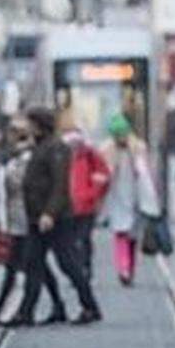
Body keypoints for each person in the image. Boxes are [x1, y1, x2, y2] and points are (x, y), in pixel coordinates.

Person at [6, 108, 102, 327]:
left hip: (55, 219)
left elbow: (60, 185)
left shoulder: (56, 148)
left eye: (30, 123)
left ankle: (90, 306)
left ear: (39, 125)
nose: (26, 127)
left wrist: (50, 213)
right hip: (36, 218)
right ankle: (26, 312)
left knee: (68, 263)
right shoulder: (40, 146)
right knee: (33, 263)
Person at [0, 120, 66, 326]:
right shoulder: (12, 157)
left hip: (27, 219)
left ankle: (18, 310)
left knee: (24, 266)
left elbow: (24, 185)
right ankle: (52, 306)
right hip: (17, 220)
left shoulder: (31, 157)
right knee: (30, 266)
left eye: (17, 134)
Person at [100, 113, 160, 286]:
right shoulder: (107, 150)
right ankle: (123, 269)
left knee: (132, 237)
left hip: (137, 197)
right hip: (117, 196)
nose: (120, 138)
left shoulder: (138, 148)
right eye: (117, 135)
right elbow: (105, 174)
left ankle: (129, 269)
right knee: (120, 234)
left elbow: (146, 174)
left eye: (122, 134)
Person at [60, 111, 110, 279]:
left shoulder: (90, 155)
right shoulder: (59, 156)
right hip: (67, 206)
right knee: (71, 241)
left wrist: (93, 193)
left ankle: (85, 265)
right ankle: (78, 266)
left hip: (86, 205)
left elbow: (103, 175)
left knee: (83, 238)